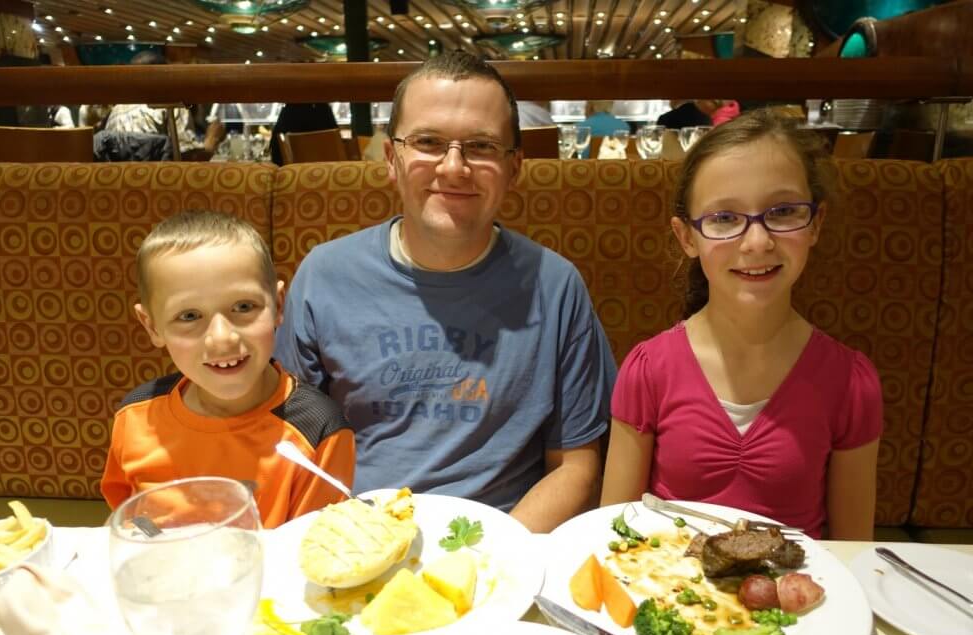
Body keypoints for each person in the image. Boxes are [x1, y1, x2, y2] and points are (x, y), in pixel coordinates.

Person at [275, 51, 616, 533]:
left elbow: (576, 464)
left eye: (480, 146)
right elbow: (293, 449)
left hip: (506, 540)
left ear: (515, 167)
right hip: (356, 537)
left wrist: (497, 560)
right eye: (428, 142)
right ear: (392, 158)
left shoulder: (556, 286)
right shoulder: (323, 277)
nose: (454, 167)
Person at [600, 109, 882, 541]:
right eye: (724, 219)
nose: (757, 242)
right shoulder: (648, 371)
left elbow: (852, 554)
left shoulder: (850, 384)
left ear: (816, 224)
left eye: (784, 211)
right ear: (687, 238)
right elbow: (614, 535)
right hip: (668, 589)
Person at [100, 211, 355, 529]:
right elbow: (128, 518)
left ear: (277, 305)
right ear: (151, 326)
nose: (222, 338)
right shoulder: (136, 415)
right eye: (190, 316)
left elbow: (310, 552)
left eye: (244, 307)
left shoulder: (318, 430)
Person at [103, 51, 224, 160]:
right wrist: (211, 141)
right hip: (157, 180)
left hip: (116, 180)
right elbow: (188, 159)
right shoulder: (170, 104)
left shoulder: (116, 110)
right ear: (164, 76)